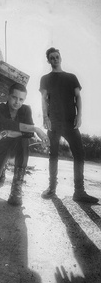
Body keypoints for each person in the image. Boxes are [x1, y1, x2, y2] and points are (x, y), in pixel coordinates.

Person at [39, 47, 98, 203]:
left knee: (79, 154)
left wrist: (79, 115)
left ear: (60, 57)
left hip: (70, 122)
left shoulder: (71, 77)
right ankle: (52, 188)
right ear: (48, 60)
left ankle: (79, 192)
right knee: (53, 154)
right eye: (51, 58)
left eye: (57, 56)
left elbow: (78, 97)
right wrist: (45, 116)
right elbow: (44, 99)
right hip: (54, 122)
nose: (55, 59)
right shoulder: (45, 78)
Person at [0, 83, 49, 206]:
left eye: (21, 99)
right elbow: (5, 123)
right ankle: (1, 168)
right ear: (8, 96)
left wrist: (5, 133)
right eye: (14, 97)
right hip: (1, 147)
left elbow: (28, 135)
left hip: (17, 147)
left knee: (24, 141)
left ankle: (16, 187)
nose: (17, 102)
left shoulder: (26, 110)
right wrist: (35, 129)